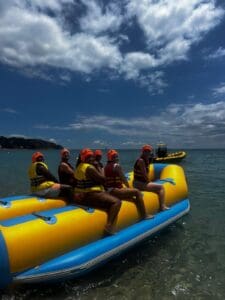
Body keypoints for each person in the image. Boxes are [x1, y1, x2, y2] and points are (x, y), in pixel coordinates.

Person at [74, 148, 121, 236]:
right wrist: (98, 166)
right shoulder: (90, 168)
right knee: (117, 202)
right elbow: (103, 179)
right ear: (84, 158)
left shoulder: (79, 167)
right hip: (90, 195)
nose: (91, 158)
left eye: (92, 156)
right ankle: (109, 227)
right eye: (88, 157)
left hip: (82, 195)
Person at [104, 150, 152, 220]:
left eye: (117, 156)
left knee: (131, 196)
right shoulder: (116, 166)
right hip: (115, 191)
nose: (117, 158)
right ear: (111, 158)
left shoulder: (105, 167)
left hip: (110, 192)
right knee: (137, 192)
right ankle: (144, 215)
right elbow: (123, 179)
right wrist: (129, 188)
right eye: (115, 157)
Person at [133, 145, 169, 211]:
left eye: (149, 151)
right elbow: (144, 175)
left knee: (155, 186)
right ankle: (162, 206)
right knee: (161, 187)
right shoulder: (141, 161)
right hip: (139, 184)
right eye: (146, 151)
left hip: (139, 182)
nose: (147, 153)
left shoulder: (146, 160)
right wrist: (150, 182)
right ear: (143, 152)